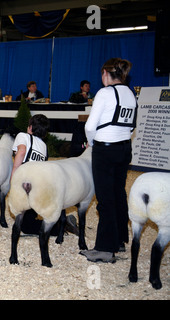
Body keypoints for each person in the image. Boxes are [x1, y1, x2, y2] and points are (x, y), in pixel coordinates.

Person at [81, 58, 137, 263]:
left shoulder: (104, 93)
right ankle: (120, 239)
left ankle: (105, 248)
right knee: (118, 193)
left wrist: (91, 143)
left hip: (105, 149)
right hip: (124, 149)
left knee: (105, 198)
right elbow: (131, 126)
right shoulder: (130, 93)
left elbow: (89, 126)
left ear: (105, 73)